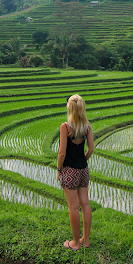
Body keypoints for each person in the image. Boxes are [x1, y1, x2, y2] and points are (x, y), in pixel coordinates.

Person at [57, 94, 94, 250]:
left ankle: (75, 243)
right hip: (83, 170)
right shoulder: (87, 126)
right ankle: (85, 240)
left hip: (70, 171)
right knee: (85, 204)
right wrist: (83, 160)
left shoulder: (65, 127)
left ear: (70, 109)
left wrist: (59, 169)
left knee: (73, 207)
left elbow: (62, 153)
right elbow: (91, 149)